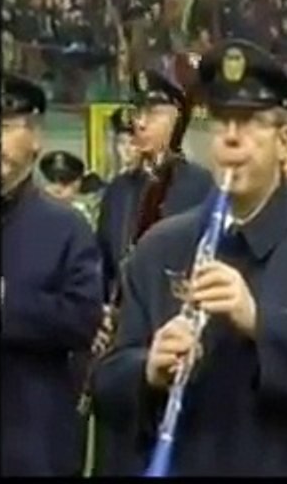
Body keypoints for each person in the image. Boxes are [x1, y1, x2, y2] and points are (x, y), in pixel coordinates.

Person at [92, 39, 287, 476]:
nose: (232, 136)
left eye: (250, 122)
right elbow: (106, 384)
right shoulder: (162, 245)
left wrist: (258, 321)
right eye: (222, 122)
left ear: (283, 141)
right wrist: (148, 370)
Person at [91, 70, 215, 476]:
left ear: (178, 119)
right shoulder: (118, 191)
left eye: (153, 114)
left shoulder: (201, 188)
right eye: (137, 113)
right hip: (124, 353)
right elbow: (103, 262)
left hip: (177, 340)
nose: (140, 123)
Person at [1, 73, 104, 476]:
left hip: (31, 444)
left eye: (6, 127)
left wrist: (8, 303)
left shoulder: (66, 228)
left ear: (36, 138)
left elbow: (82, 320)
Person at [109, 105, 139, 175]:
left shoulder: (151, 178)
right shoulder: (116, 178)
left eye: (131, 142)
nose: (127, 148)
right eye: (122, 142)